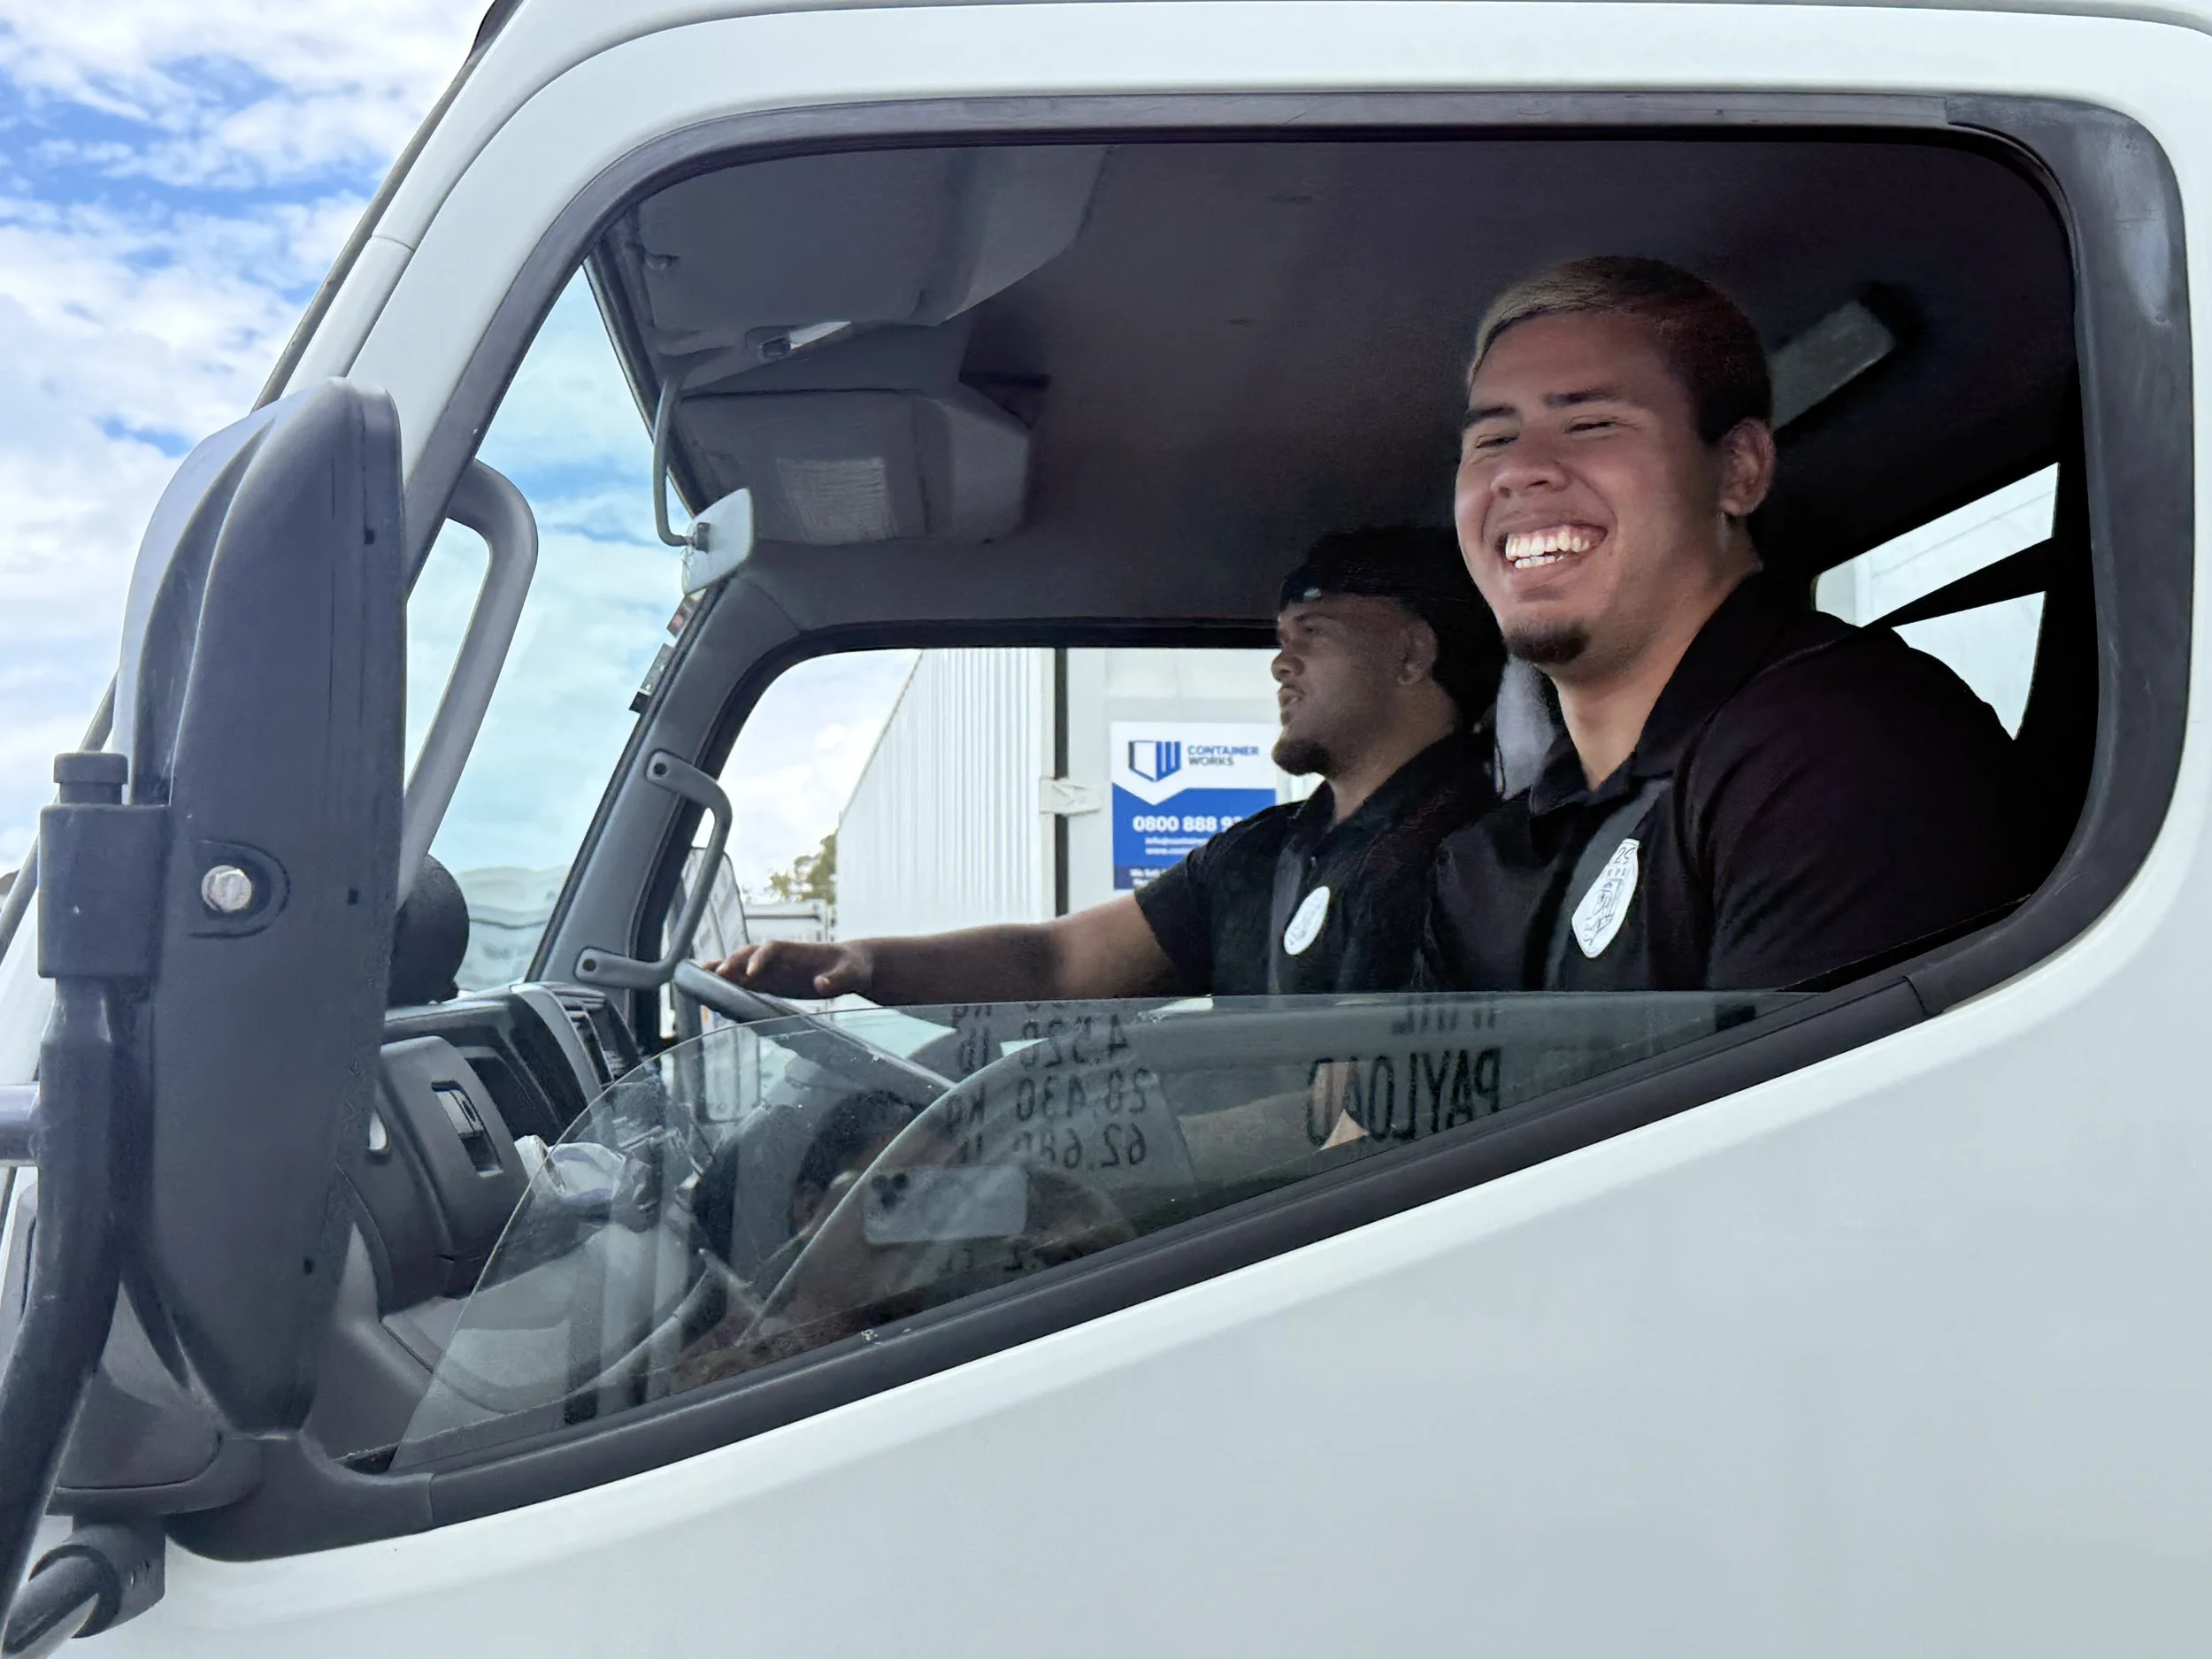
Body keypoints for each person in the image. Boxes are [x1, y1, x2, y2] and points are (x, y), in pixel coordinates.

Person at [1421, 256, 2035, 992]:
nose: (1520, 470)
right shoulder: (1487, 857)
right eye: (1491, 440)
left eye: (1589, 424)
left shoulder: (1842, 746)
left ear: (1738, 470)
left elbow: (1817, 1104)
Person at [711, 527, 1504, 1003]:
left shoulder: (1475, 860)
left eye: (1313, 634)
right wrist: (864, 962)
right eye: (1278, 640)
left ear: (1410, 653)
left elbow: (1370, 1130)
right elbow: (1057, 961)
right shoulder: (1269, 850)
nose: (1278, 666)